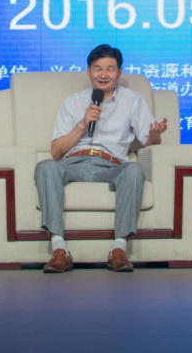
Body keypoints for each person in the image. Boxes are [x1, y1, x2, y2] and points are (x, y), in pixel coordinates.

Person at [37, 44, 169, 273]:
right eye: (97, 68)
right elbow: (56, 152)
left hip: (111, 165)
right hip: (74, 163)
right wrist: (82, 124)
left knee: (134, 169)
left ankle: (119, 250)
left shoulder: (133, 100)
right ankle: (59, 250)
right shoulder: (72, 102)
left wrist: (156, 135)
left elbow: (149, 142)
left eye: (110, 69)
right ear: (88, 71)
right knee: (45, 166)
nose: (103, 74)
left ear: (119, 72)